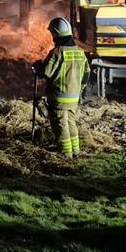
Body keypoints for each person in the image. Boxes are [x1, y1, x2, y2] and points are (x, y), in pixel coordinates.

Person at [33, 17, 89, 158]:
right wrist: (79, 91)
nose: (52, 38)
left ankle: (66, 155)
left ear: (57, 34)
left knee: (60, 126)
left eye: (52, 34)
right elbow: (86, 75)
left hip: (59, 97)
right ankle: (76, 152)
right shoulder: (80, 52)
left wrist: (37, 66)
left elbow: (46, 72)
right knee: (71, 123)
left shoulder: (57, 53)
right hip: (74, 98)